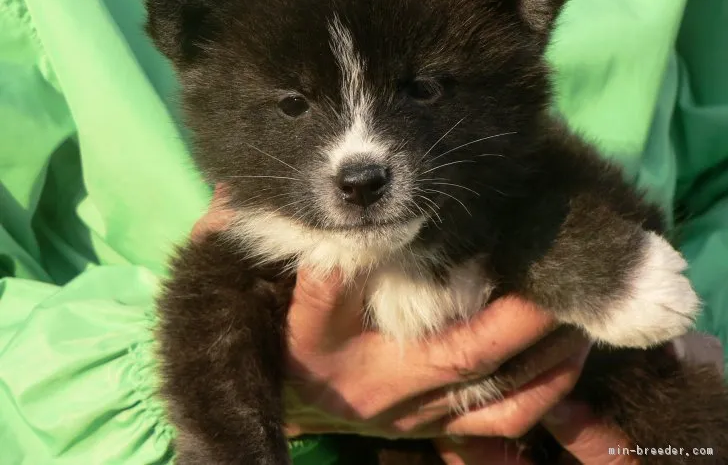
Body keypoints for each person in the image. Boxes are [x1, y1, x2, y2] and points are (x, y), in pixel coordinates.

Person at [0, 0, 726, 464]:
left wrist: (620, 282)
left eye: (421, 90)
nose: (361, 153)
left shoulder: (523, 178)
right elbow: (204, 336)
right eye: (293, 106)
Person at [189, 186, 723, 464]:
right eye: (294, 104)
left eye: (419, 90)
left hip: (628, 414)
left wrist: (703, 323)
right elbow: (204, 320)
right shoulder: (254, 237)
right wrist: (277, 409)